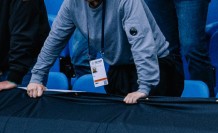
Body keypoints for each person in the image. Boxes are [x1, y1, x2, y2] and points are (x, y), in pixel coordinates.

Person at [24, 0, 180, 98]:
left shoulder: (127, 2)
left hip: (156, 68)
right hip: (119, 69)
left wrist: (145, 87)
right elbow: (54, 41)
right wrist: (37, 77)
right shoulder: (71, 4)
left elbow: (142, 44)